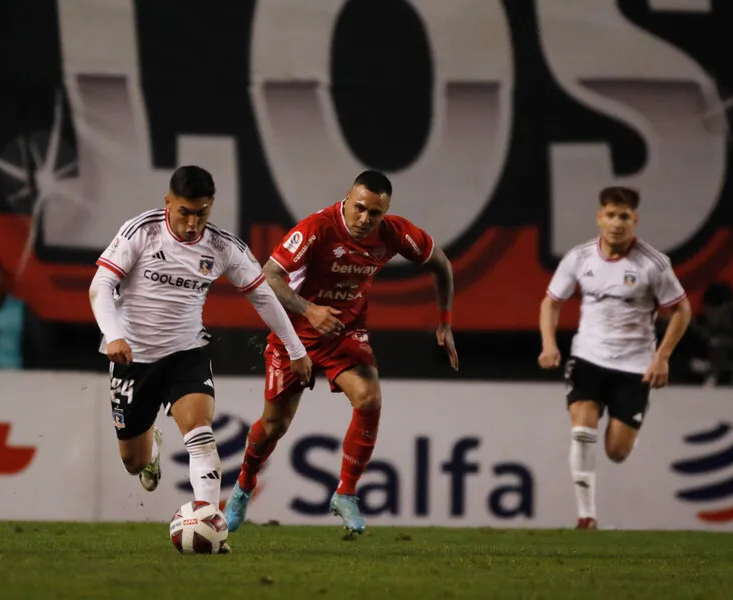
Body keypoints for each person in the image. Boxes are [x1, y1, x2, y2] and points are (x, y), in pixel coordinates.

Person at [224, 170, 458, 534]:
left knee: (368, 397)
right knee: (274, 426)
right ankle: (243, 486)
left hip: (344, 332)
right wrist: (310, 310)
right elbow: (268, 276)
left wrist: (444, 321)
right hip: (295, 333)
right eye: (360, 208)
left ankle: (345, 493)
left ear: (386, 212)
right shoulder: (317, 228)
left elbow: (441, 265)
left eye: (375, 213)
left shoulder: (395, 234)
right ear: (346, 199)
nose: (365, 219)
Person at [88, 166, 312, 536]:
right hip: (132, 356)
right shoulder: (140, 232)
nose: (193, 224)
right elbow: (101, 285)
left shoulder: (224, 246)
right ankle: (151, 450)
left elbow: (262, 296)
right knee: (133, 460)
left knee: (200, 434)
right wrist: (113, 335)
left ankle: (209, 526)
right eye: (185, 212)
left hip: (185, 352)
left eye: (202, 214)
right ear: (168, 202)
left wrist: (295, 348)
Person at [538, 186, 692, 530]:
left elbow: (682, 310)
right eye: (610, 215)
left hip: (635, 365)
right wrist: (549, 344)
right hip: (588, 356)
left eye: (624, 216)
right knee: (582, 431)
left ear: (634, 220)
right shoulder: (580, 258)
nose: (617, 223)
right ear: (599, 217)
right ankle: (586, 516)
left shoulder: (654, 265)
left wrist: (662, 357)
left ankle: (629, 420)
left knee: (616, 452)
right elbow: (551, 301)